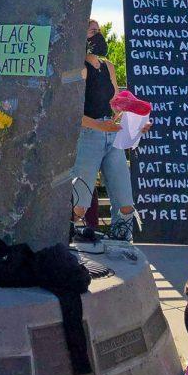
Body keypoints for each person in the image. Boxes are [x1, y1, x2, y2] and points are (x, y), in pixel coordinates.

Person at [72, 19, 138, 241]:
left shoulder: (108, 65)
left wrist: (135, 124)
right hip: (89, 134)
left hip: (112, 134)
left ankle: (123, 241)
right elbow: (71, 112)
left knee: (125, 200)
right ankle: (75, 242)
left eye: (99, 31)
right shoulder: (79, 68)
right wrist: (100, 125)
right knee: (80, 201)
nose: (98, 35)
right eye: (92, 31)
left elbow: (117, 101)